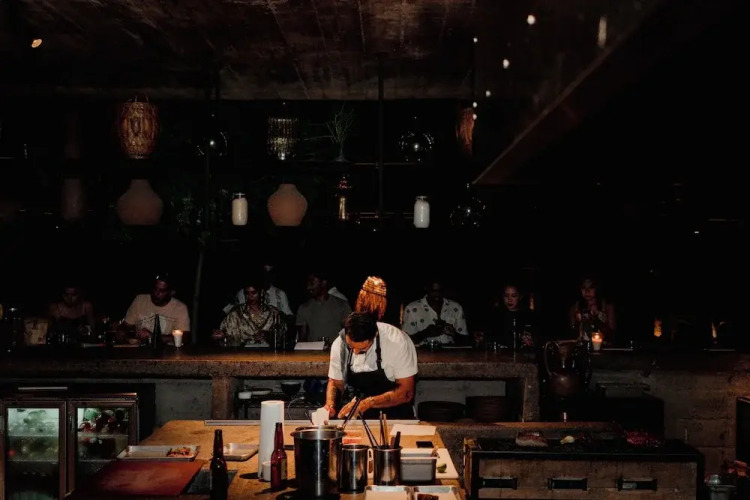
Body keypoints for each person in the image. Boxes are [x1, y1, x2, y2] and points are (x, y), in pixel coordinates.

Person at [325, 312, 418, 419]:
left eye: (362, 349)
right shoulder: (339, 344)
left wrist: (368, 403)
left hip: (395, 416)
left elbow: (406, 393)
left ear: (375, 335)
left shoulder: (397, 342)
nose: (355, 352)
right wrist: (331, 405)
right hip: (354, 418)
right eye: (351, 347)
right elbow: (336, 382)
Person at [212, 272, 287, 347]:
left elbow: (282, 334)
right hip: (242, 352)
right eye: (247, 293)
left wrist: (268, 334)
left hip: (268, 352)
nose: (250, 296)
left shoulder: (272, 312)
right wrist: (220, 335)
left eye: (253, 293)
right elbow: (227, 332)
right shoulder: (237, 312)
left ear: (261, 293)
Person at [116, 273, 190, 345]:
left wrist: (153, 336)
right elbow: (127, 324)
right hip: (140, 348)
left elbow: (185, 337)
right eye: (155, 288)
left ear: (171, 293)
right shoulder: (139, 300)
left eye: (161, 291)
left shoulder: (179, 308)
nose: (156, 293)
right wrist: (122, 330)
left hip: (167, 350)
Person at [401, 277, 468, 346]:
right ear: (426, 289)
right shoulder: (412, 308)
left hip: (451, 351)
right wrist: (425, 333)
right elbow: (404, 341)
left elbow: (465, 341)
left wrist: (453, 333)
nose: (437, 294)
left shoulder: (455, 307)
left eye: (440, 291)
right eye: (433, 291)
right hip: (423, 352)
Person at [474, 281, 536, 350]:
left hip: (521, 353)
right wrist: (480, 338)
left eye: (513, 296)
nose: (509, 299)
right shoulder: (495, 315)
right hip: (499, 353)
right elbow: (485, 336)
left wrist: (531, 340)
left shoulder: (528, 315)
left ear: (520, 297)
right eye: (506, 296)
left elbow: (536, 338)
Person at [296, 269, 351, 344]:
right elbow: (302, 340)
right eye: (308, 283)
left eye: (312, 283)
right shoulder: (304, 308)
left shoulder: (341, 305)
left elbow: (349, 333)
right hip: (312, 351)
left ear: (323, 283)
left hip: (336, 350)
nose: (308, 287)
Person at [221, 260, 293, 318]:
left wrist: (279, 315)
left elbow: (290, 317)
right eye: (264, 271)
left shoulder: (280, 293)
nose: (266, 275)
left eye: (270, 272)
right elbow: (226, 312)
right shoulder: (245, 292)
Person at [569, 275, 616, 344]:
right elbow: (571, 333)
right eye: (583, 288)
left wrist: (598, 314)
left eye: (591, 287)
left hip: (603, 347)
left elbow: (612, 333)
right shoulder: (575, 308)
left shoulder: (607, 307)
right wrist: (577, 321)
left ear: (596, 288)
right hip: (582, 346)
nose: (587, 291)